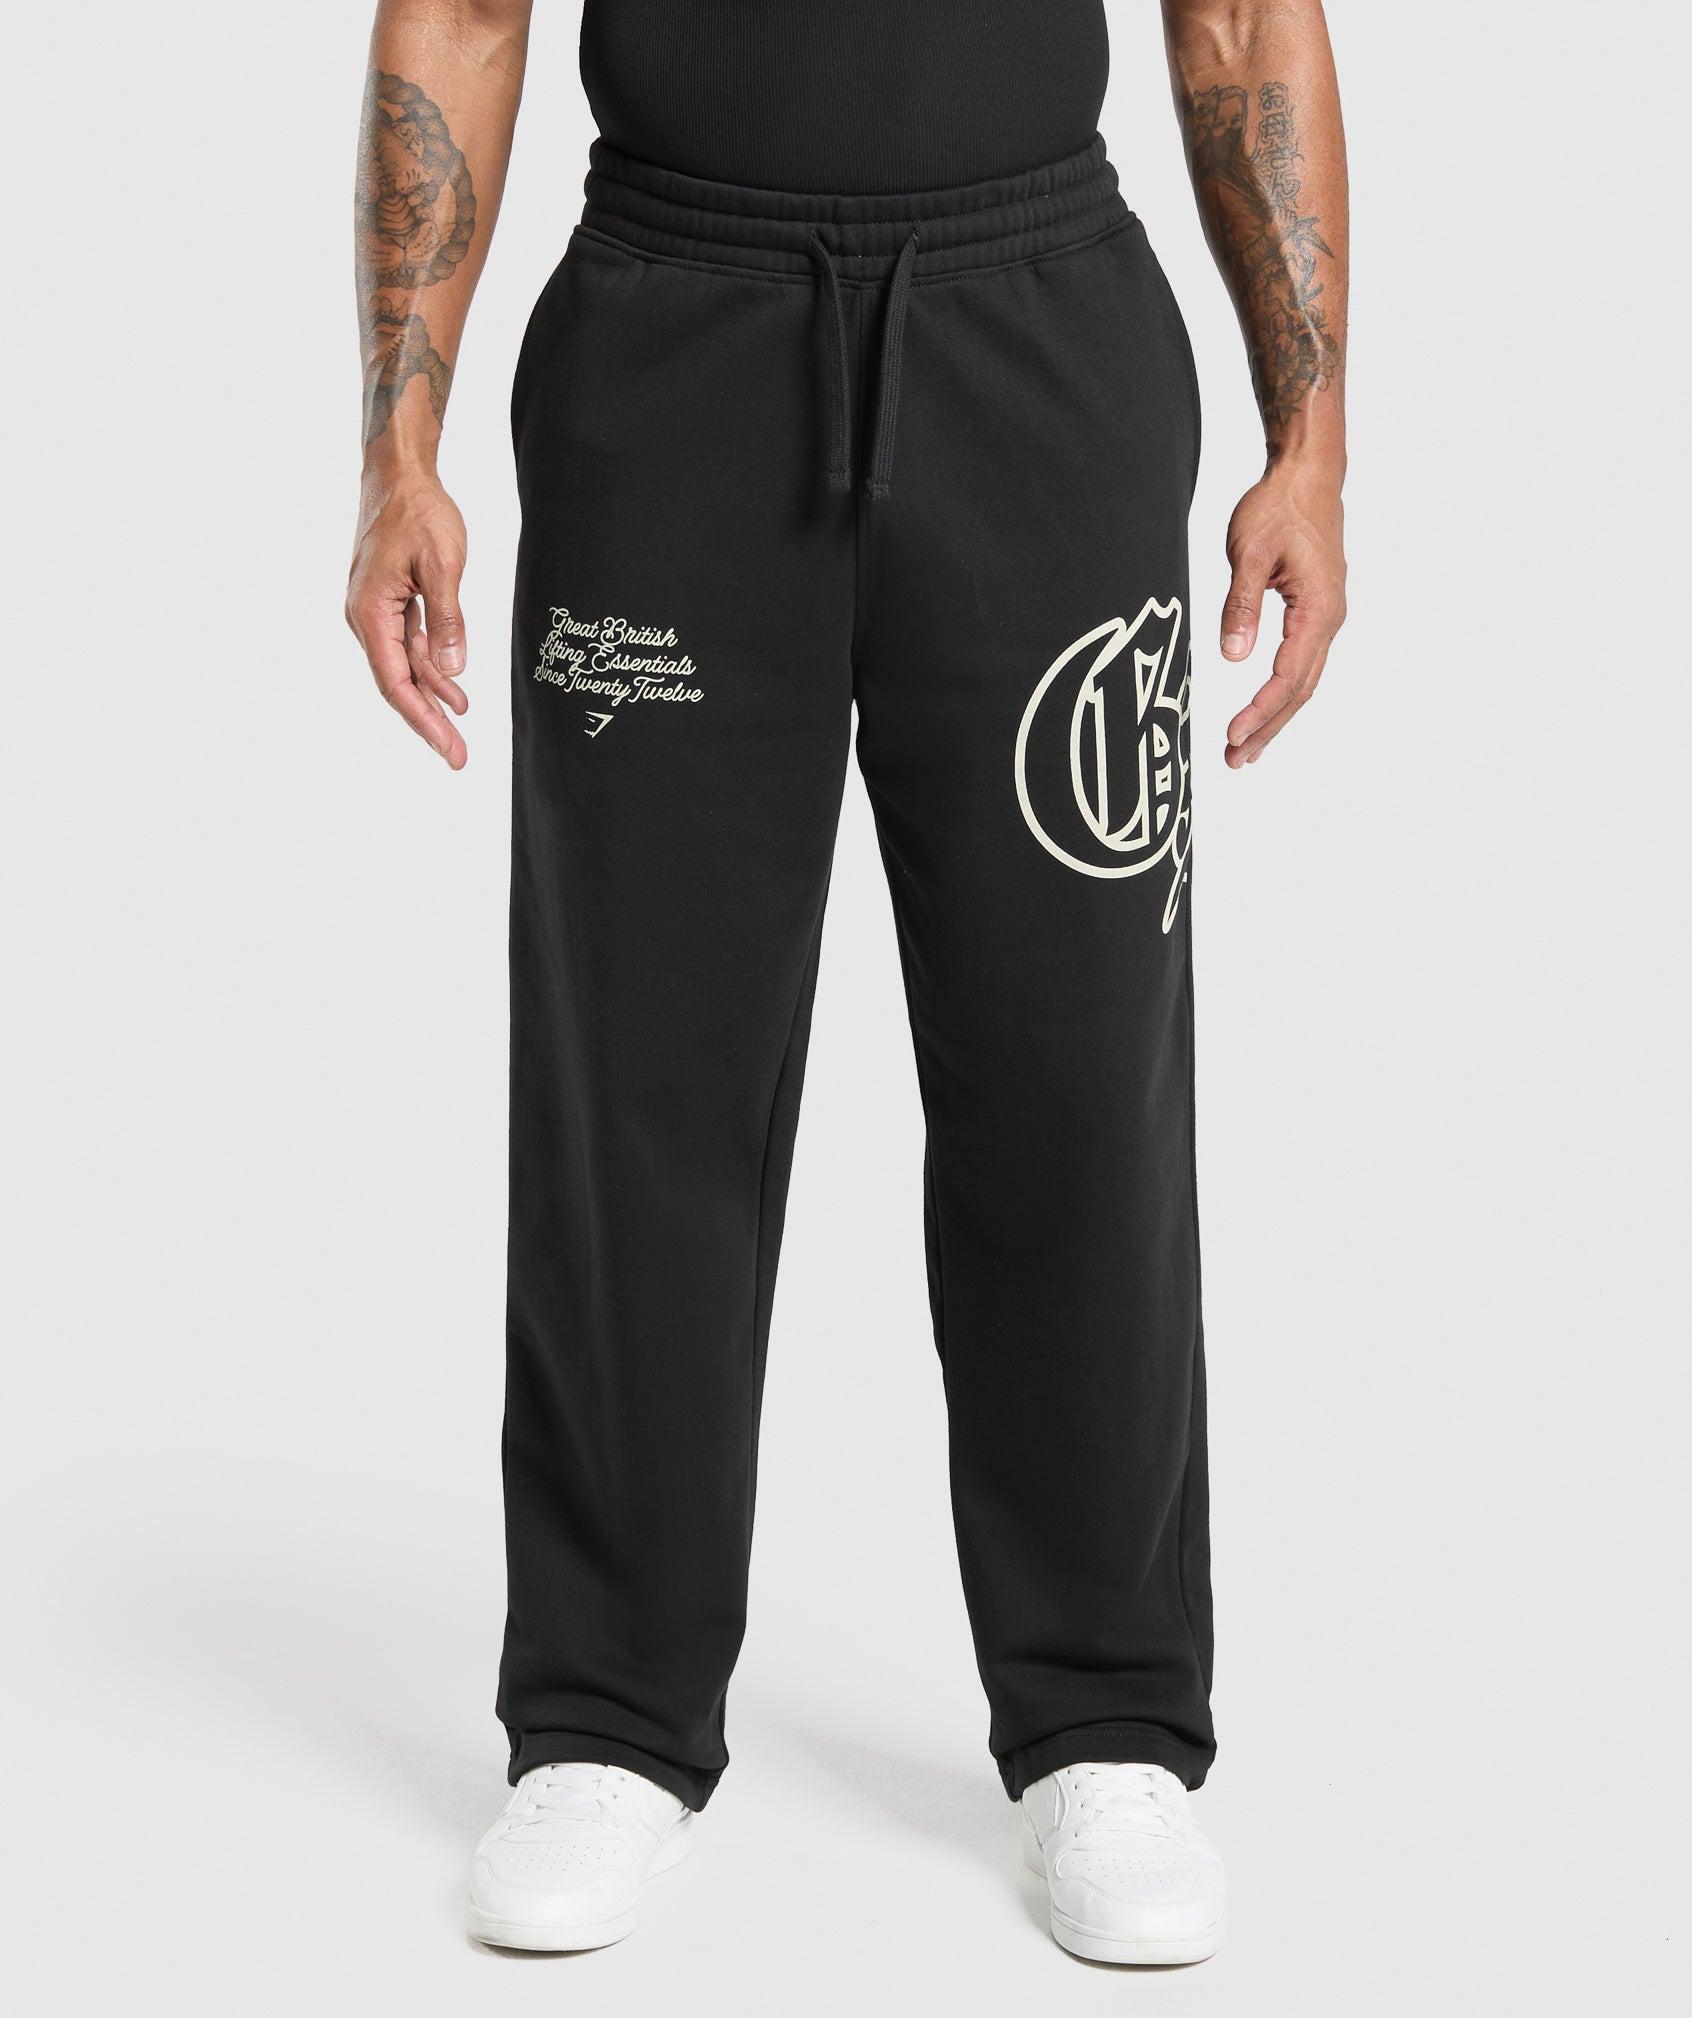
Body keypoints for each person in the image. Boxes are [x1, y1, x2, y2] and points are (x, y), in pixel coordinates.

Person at [346, 0, 1347, 1967]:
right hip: (669, 345)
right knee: (635, 1063)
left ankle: (1105, 1716)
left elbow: (1240, 12)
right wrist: (398, 448)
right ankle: (609, 1713)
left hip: (1040, 335)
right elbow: (459, 12)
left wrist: (1308, 438)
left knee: (1078, 1065)